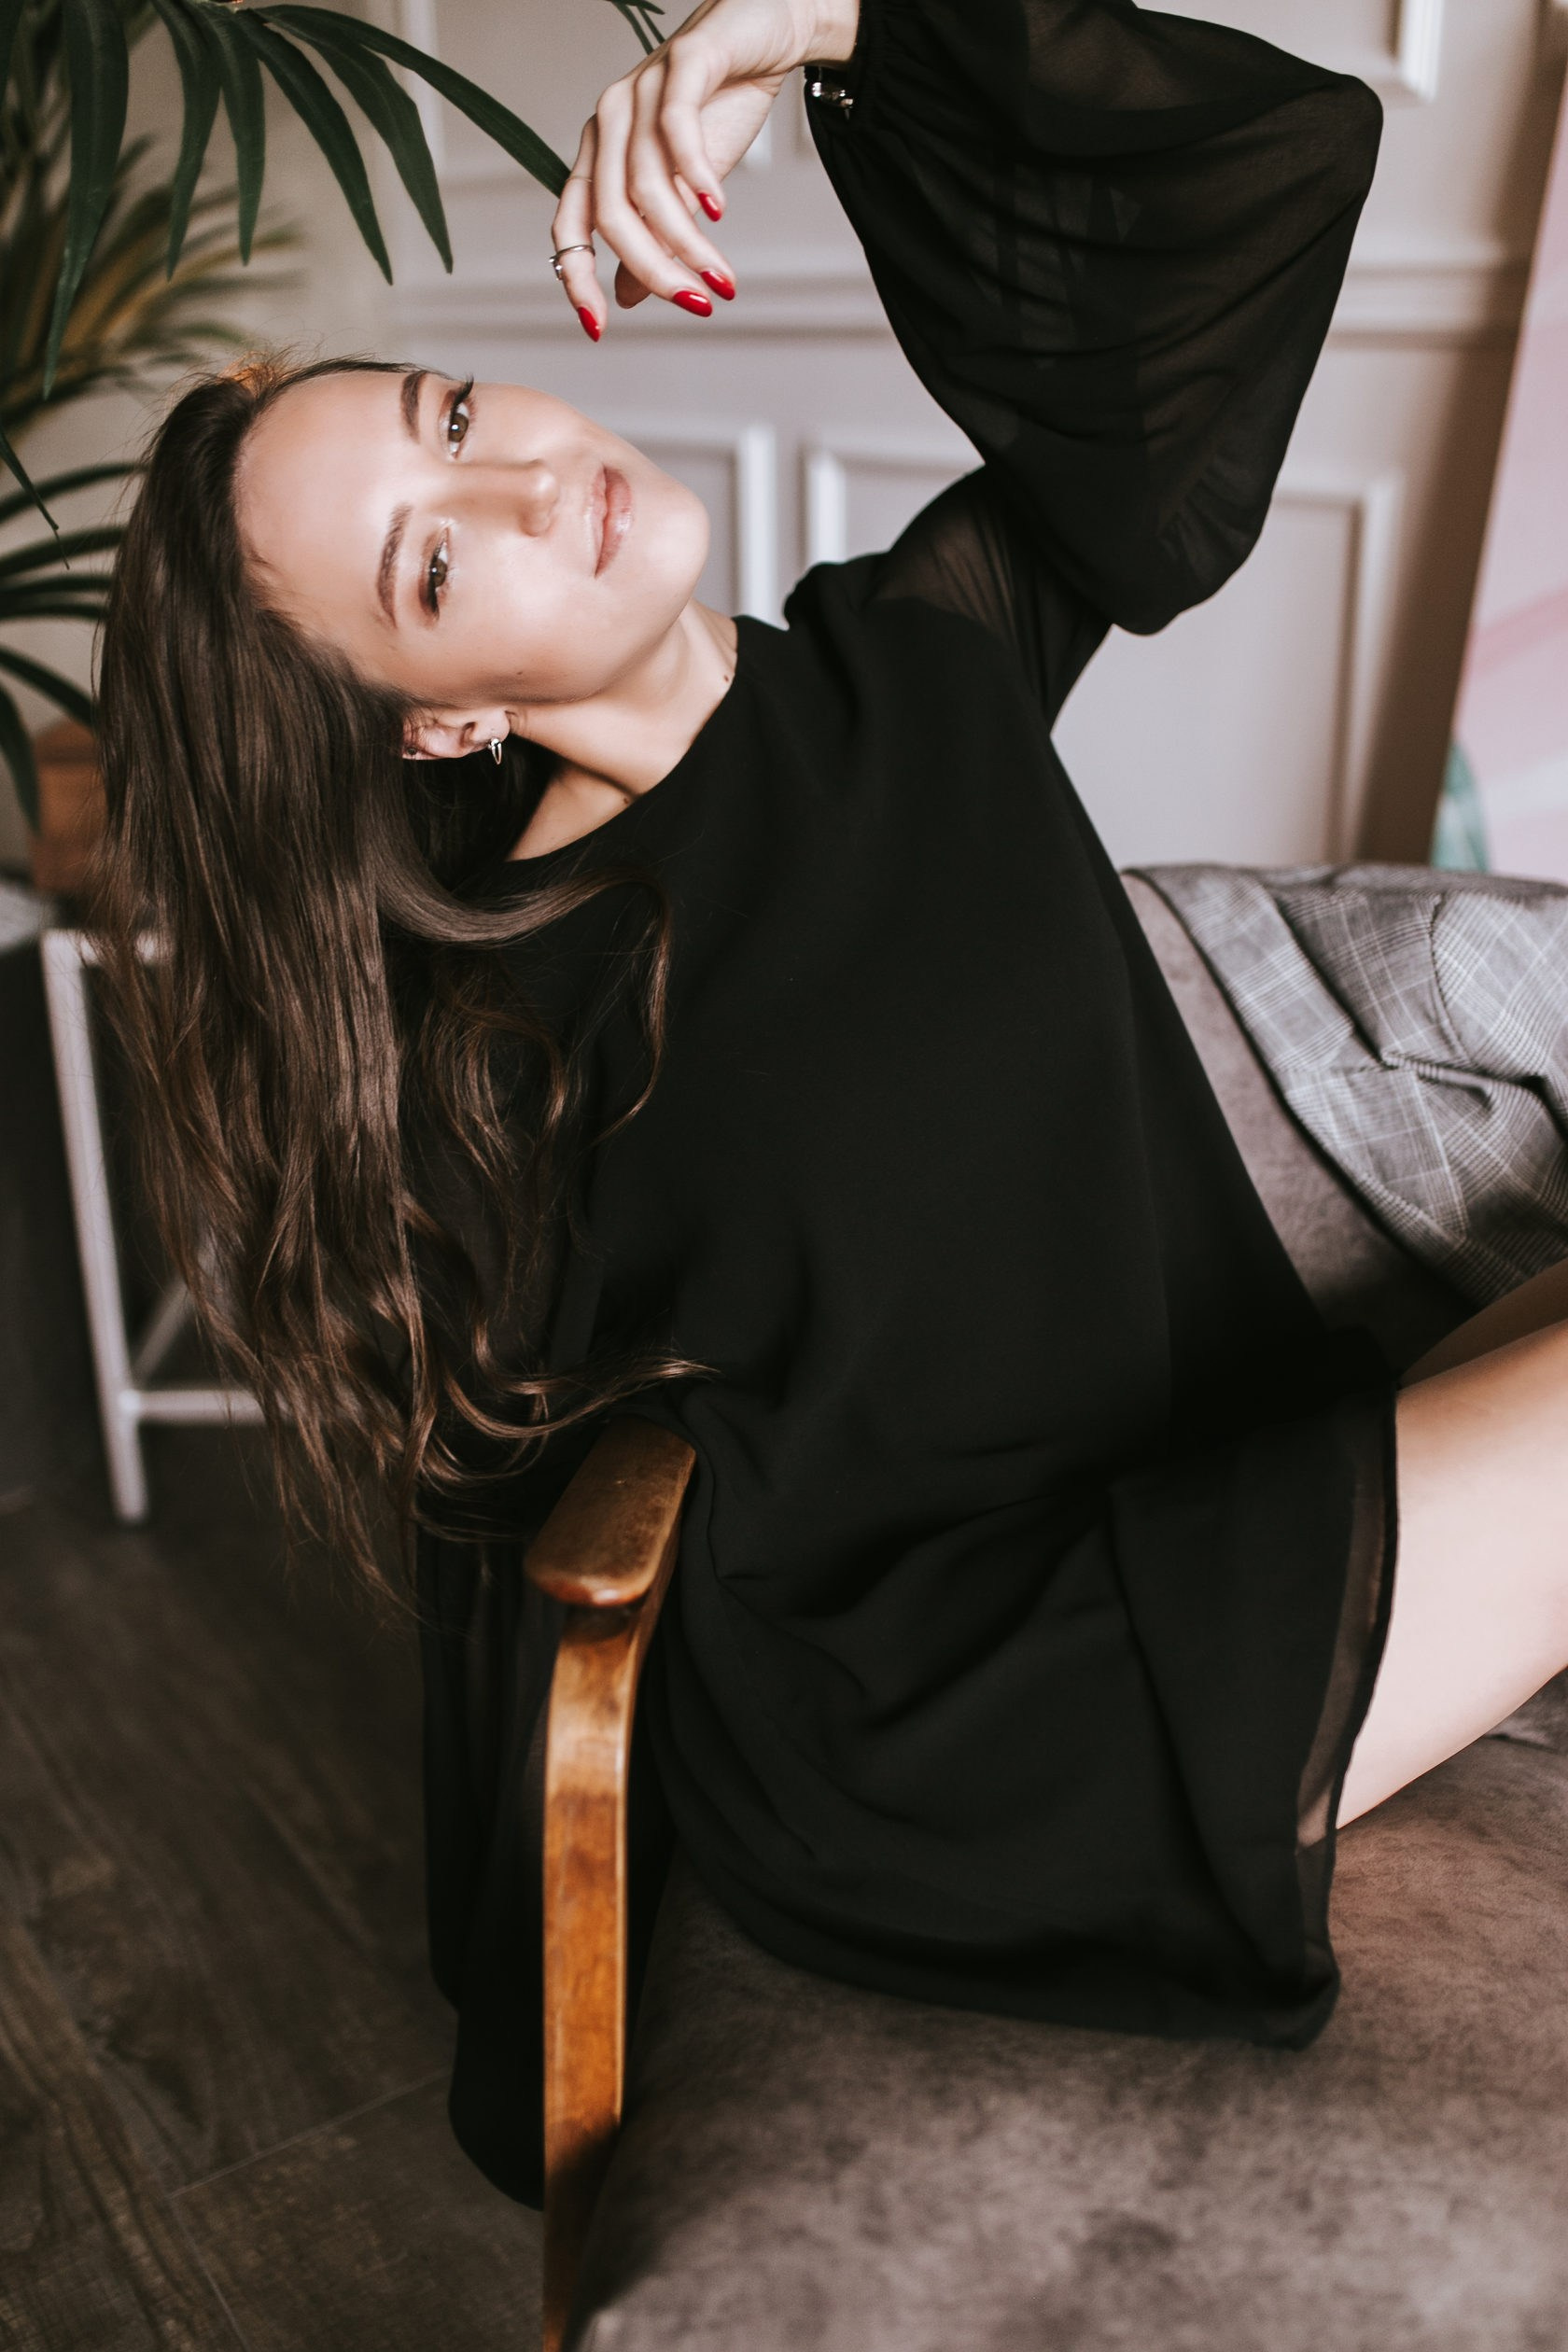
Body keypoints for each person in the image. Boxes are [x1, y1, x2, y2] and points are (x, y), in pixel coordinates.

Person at [93, 0, 1568, 2210]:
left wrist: (823, 22)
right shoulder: (506, 1030)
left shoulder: (921, 654)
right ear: (435, 721)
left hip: (1247, 1489)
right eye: (435, 564)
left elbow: (1271, 172)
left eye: (454, 414)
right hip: (988, 1705)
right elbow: (519, 1550)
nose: (528, 483)